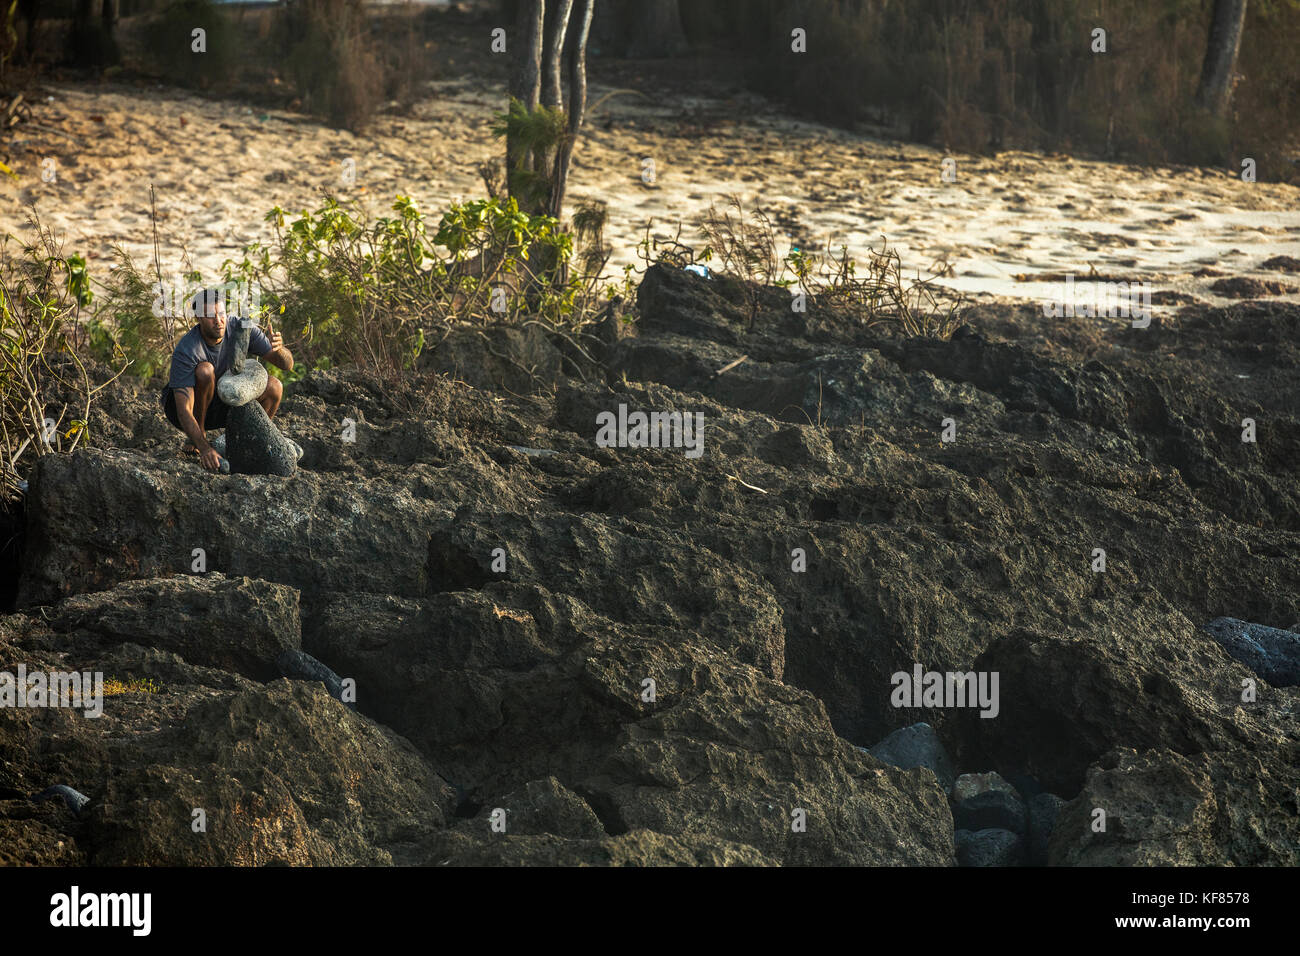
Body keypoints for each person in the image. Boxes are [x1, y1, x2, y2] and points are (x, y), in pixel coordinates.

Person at [160, 287, 294, 472]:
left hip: (225, 400)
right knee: (205, 371)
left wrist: (280, 350)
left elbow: (286, 365)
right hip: (188, 408)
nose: (218, 321)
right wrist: (206, 449)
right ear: (198, 318)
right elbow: (183, 409)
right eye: (210, 316)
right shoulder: (188, 349)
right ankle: (198, 437)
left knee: (274, 386)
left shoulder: (241, 328)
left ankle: (249, 442)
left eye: (221, 313)